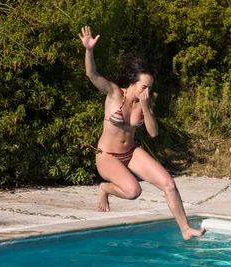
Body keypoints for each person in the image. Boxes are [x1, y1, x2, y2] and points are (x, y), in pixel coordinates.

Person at [79, 26, 205, 240]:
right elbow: (92, 74)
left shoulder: (145, 102)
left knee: (169, 184)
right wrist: (89, 50)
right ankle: (105, 188)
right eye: (143, 86)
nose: (146, 91)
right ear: (132, 82)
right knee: (133, 191)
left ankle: (185, 229)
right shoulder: (114, 93)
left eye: (149, 87)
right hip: (107, 156)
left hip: (131, 152)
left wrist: (146, 108)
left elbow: (153, 133)